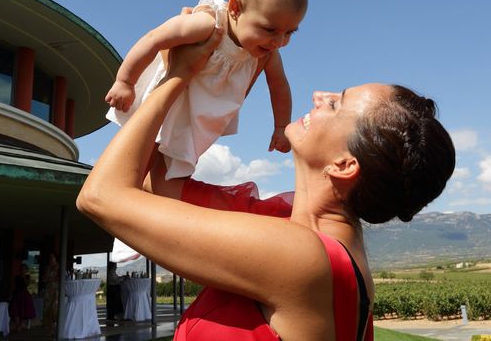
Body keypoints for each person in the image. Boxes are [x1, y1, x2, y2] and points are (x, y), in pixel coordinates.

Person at [77, 31, 456, 340]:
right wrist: (213, 76)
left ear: (343, 165)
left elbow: (100, 197)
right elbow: (154, 185)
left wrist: (176, 75)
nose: (319, 95)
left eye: (336, 105)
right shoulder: (292, 224)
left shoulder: (301, 257)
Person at [106, 0, 307, 261]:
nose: (280, 41)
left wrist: (281, 126)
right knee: (140, 158)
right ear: (236, 9)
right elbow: (154, 38)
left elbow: (279, 86)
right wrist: (124, 80)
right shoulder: (206, 24)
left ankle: (148, 225)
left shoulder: (266, 52)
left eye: (290, 32)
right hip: (169, 102)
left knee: (171, 174)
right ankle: (126, 225)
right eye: (270, 29)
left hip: (197, 114)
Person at [9, 263, 36, 333]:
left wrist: (24, 276)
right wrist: (11, 293)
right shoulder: (16, 277)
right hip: (16, 293)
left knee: (22, 310)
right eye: (22, 269)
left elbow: (27, 284)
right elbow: (13, 285)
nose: (23, 270)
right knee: (15, 309)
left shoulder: (27, 276)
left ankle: (20, 325)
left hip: (24, 294)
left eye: (24, 269)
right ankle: (17, 324)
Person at [41, 253, 59, 336]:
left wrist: (50, 279)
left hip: (56, 290)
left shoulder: (59, 267)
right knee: (47, 309)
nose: (51, 259)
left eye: (52, 258)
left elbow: (59, 278)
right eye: (50, 258)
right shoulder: (48, 268)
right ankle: (50, 329)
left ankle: (55, 327)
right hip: (48, 291)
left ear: (56, 258)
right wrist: (48, 278)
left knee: (54, 309)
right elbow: (44, 279)